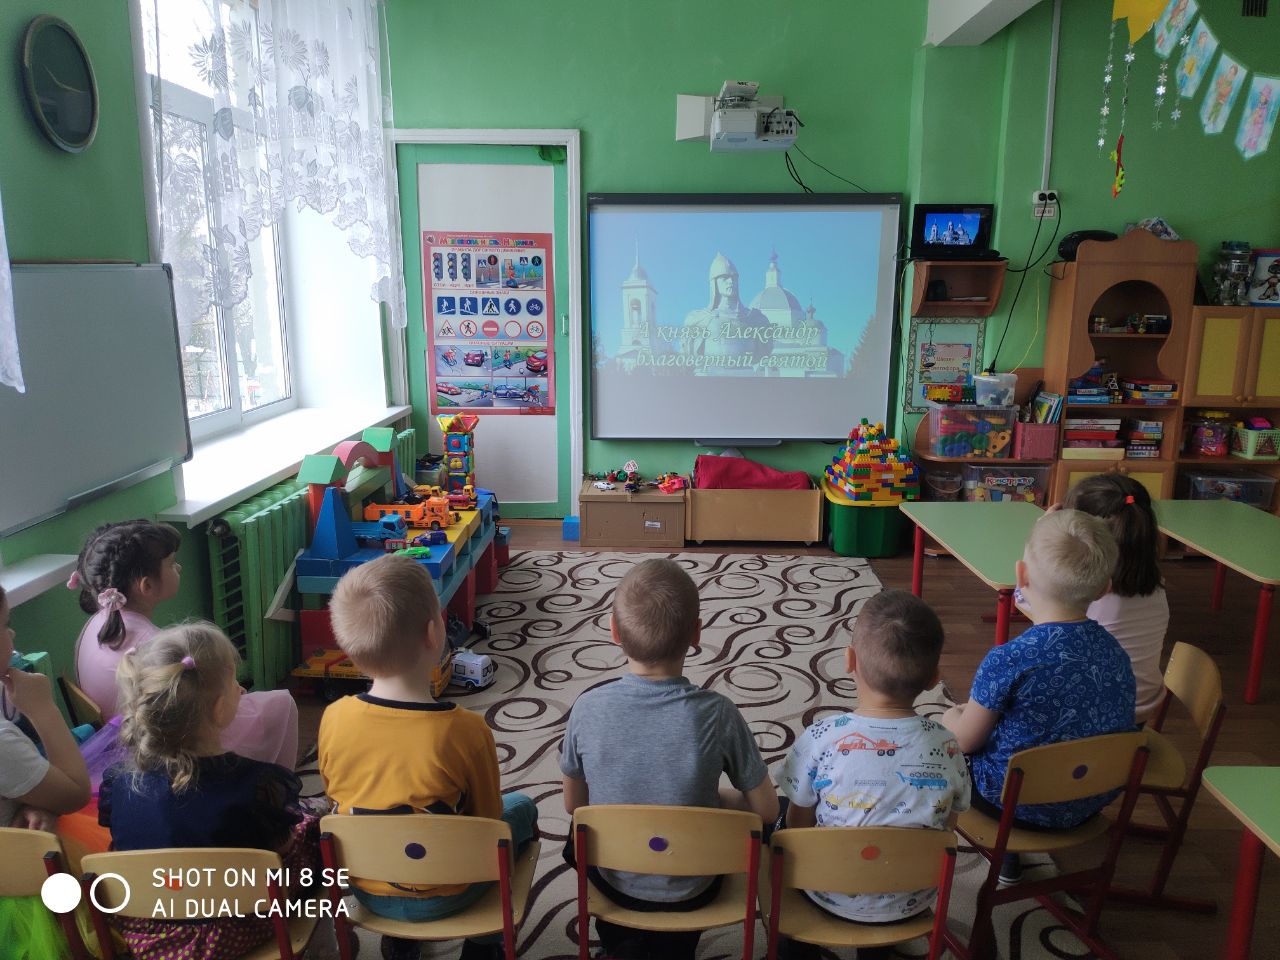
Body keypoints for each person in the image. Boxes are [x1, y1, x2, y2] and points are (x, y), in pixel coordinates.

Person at [319, 554, 537, 960]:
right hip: (451, 889)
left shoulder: (334, 718)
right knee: (521, 809)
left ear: (348, 647)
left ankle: (401, 942)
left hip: (368, 889)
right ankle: (484, 945)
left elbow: (336, 798)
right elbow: (488, 821)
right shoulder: (467, 731)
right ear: (434, 633)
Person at [560, 558, 779, 960]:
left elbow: (574, 805)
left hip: (614, 882)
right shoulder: (718, 713)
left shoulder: (587, 708)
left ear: (614, 631)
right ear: (697, 633)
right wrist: (713, 800)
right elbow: (766, 811)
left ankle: (620, 944)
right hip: (693, 887)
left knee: (578, 836)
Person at [99, 622, 322, 960]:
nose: (241, 690)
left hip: (150, 930)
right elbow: (281, 853)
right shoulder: (257, 787)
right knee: (315, 833)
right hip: (232, 929)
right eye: (234, 683)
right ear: (219, 709)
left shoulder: (117, 783)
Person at [942, 510, 1136, 881]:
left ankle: (991, 851)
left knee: (940, 741)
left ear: (1021, 575)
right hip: (1090, 799)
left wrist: (950, 716)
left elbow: (965, 742)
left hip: (1011, 804)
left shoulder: (1009, 659)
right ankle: (1012, 854)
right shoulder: (1115, 652)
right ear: (1104, 588)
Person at [776, 590, 969, 960]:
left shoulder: (822, 737)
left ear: (849, 660)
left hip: (827, 891)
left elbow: (798, 826)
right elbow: (949, 824)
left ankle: (798, 949)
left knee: (780, 821)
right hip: (910, 897)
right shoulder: (947, 745)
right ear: (934, 678)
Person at [72, 520, 298, 768]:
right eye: (171, 563)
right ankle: (276, 784)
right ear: (147, 586)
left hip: (119, 732)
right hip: (158, 742)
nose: (178, 567)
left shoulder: (98, 621)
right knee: (281, 705)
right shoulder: (151, 645)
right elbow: (188, 705)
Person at [0, 585, 93, 960]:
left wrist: (36, 801)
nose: (12, 633)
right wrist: (44, 709)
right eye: (5, 624)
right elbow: (75, 793)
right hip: (15, 889)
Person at [1062, 475, 1169, 724]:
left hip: (1096, 718)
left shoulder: (1087, 595)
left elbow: (1025, 598)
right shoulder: (1155, 586)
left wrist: (1042, 533)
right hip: (1142, 709)